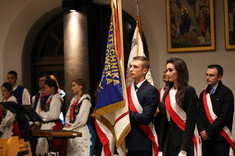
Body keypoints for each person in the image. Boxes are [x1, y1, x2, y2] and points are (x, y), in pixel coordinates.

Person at [160, 58, 200, 156]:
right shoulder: (167, 92)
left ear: (180, 71)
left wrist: (184, 149)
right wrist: (161, 148)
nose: (167, 73)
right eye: (166, 71)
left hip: (184, 138)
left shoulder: (189, 91)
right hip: (169, 139)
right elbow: (164, 122)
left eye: (170, 70)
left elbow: (190, 122)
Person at [197, 64, 234, 156]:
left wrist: (209, 133)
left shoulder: (226, 93)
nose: (207, 78)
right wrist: (202, 132)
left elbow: (224, 117)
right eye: (206, 75)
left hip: (220, 139)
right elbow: (198, 115)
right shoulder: (203, 94)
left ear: (219, 77)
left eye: (211, 75)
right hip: (206, 140)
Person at [126, 56, 159, 156]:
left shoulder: (151, 91)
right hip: (127, 141)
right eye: (131, 66)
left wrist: (125, 112)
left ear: (144, 70)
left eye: (135, 67)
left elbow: (145, 119)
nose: (131, 69)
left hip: (142, 142)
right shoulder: (127, 90)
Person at [35, 77, 65, 155]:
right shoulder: (51, 98)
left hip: (52, 125)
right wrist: (43, 114)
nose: (46, 90)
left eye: (47, 88)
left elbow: (53, 115)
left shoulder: (56, 98)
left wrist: (42, 114)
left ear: (52, 88)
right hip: (46, 125)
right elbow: (46, 112)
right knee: (41, 150)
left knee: (50, 150)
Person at [63, 79, 92, 156]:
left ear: (80, 86)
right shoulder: (74, 100)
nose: (72, 88)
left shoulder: (85, 100)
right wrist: (68, 124)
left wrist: (71, 127)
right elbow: (68, 115)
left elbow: (82, 120)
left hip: (81, 130)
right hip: (72, 130)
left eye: (74, 85)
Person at [7, 70, 31, 139]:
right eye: (8, 78)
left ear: (16, 79)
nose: (10, 80)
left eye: (12, 78)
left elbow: (27, 106)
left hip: (21, 122)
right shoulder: (8, 92)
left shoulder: (23, 90)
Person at [31, 74, 49, 155]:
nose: (41, 82)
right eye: (40, 80)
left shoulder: (50, 96)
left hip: (45, 124)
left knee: (45, 149)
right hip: (36, 125)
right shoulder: (35, 97)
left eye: (43, 80)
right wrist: (32, 123)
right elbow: (34, 110)